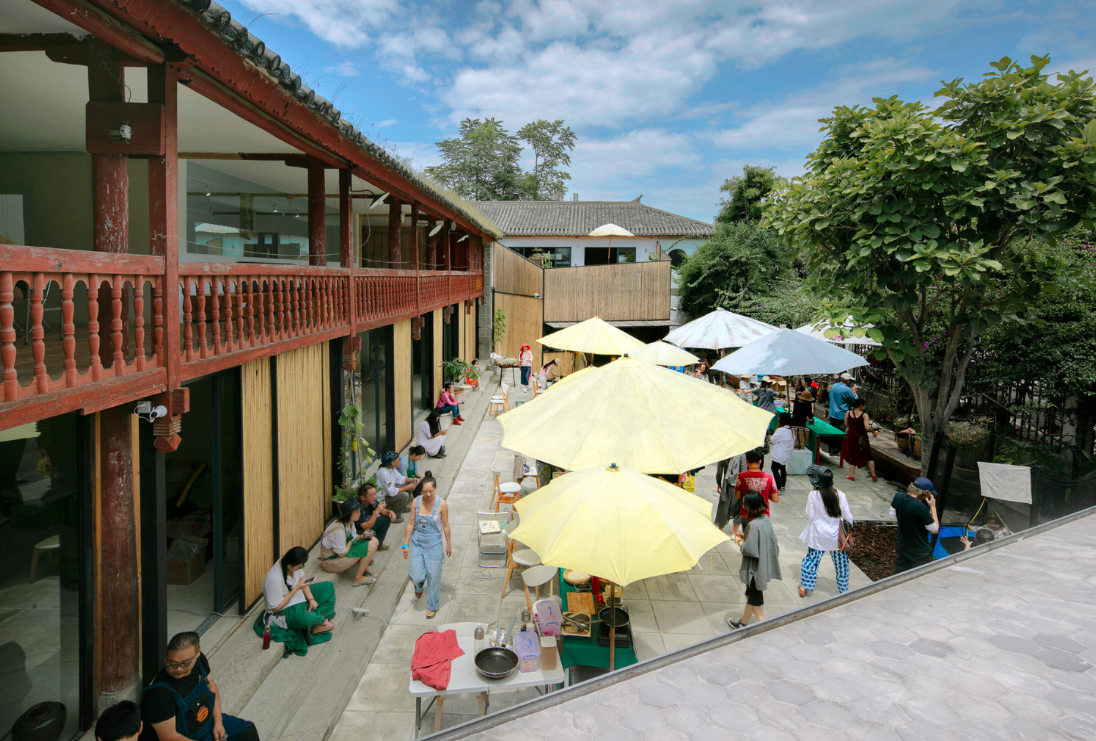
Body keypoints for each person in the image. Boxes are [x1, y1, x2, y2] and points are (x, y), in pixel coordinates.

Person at [142, 632, 259, 741]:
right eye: (171, 663)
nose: (178, 669)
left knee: (248, 731)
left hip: (210, 722)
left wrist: (218, 723)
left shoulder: (199, 661)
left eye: (185, 663)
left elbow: (212, 687)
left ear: (197, 652)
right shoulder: (159, 694)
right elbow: (169, 737)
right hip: (188, 737)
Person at [254, 546, 335, 656]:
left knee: (328, 587)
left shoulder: (292, 564)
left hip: (299, 597)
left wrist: (311, 599)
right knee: (305, 618)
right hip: (284, 609)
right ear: (289, 566)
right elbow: (276, 607)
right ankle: (317, 620)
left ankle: (315, 621)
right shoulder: (273, 579)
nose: (299, 569)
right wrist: (296, 588)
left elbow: (302, 580)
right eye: (298, 567)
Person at [798, 466, 854, 597]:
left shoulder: (813, 495)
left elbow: (810, 515)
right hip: (836, 537)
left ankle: (805, 586)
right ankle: (843, 589)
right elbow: (848, 517)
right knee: (841, 564)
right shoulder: (841, 495)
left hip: (818, 534)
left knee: (812, 560)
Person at [401, 474, 451, 619]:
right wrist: (405, 544)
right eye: (425, 492)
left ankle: (432, 605)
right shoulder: (416, 502)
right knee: (417, 575)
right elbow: (410, 523)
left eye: (431, 491)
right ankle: (418, 585)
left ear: (435, 488)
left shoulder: (442, 504)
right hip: (417, 542)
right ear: (421, 491)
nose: (428, 494)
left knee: (433, 576)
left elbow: (446, 525)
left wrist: (448, 544)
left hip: (434, 543)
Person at [728, 493, 781, 629]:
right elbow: (767, 540)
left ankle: (762, 629)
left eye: (745, 504)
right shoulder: (765, 520)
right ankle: (743, 622)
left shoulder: (754, 524)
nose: (743, 506)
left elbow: (749, 549)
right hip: (762, 566)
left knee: (757, 603)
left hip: (754, 571)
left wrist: (740, 542)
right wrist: (746, 536)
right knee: (750, 596)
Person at [320, 499, 379, 587]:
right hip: (331, 562)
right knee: (370, 546)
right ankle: (358, 579)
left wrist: (363, 536)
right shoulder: (338, 531)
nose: (359, 514)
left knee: (374, 540)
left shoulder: (350, 523)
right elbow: (341, 554)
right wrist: (350, 543)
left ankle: (364, 569)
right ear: (349, 514)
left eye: (359, 511)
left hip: (341, 552)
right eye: (356, 512)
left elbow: (353, 536)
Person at [890, 477, 940, 574]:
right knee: (923, 576)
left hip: (903, 546)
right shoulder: (920, 508)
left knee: (899, 575)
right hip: (920, 551)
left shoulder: (898, 496)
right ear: (925, 492)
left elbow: (892, 515)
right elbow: (935, 530)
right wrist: (933, 507)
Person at [732, 449, 779, 538]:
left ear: (746, 461)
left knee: (748, 539)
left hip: (747, 513)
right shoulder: (769, 478)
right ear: (760, 462)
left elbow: (737, 495)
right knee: (761, 539)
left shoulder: (741, 477)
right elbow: (776, 499)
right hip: (763, 514)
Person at [842, 398, 878, 481]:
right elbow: (867, 427)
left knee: (851, 454)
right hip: (862, 437)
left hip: (851, 436)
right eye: (864, 405)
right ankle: (873, 475)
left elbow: (846, 424)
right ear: (861, 405)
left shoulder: (848, 413)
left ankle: (852, 475)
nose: (865, 407)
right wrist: (873, 431)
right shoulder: (864, 415)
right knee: (868, 455)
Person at [376, 450, 419, 518]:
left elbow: (401, 478)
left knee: (408, 484)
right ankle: (395, 515)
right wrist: (408, 487)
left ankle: (403, 507)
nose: (400, 460)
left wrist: (411, 480)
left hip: (389, 493)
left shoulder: (391, 468)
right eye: (398, 459)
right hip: (383, 498)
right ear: (392, 463)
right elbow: (391, 492)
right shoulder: (383, 473)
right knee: (404, 495)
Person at [356, 482, 395, 549]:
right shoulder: (358, 508)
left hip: (369, 525)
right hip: (359, 531)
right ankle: (365, 554)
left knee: (387, 518)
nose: (374, 497)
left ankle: (379, 544)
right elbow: (365, 527)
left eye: (375, 494)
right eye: (371, 495)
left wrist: (390, 512)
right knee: (371, 533)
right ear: (363, 498)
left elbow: (382, 511)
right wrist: (376, 512)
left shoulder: (371, 502)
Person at [826, 375, 858, 454]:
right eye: (850, 380)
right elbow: (855, 401)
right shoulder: (847, 390)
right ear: (847, 380)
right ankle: (836, 450)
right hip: (842, 415)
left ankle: (831, 448)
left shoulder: (833, 386)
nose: (850, 382)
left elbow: (830, 397)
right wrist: (854, 391)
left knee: (832, 432)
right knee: (840, 433)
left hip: (833, 413)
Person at [769, 413, 794, 491]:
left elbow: (773, 440)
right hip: (786, 453)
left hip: (779, 453)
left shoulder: (781, 430)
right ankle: (783, 485)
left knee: (774, 468)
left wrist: (769, 437)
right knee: (782, 468)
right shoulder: (791, 430)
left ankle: (778, 487)